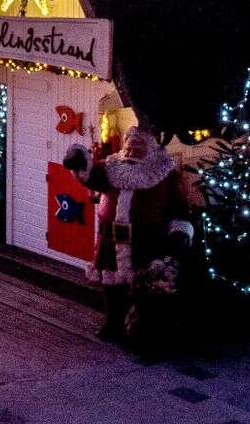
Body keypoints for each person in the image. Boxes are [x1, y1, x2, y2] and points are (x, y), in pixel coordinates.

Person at [64, 126, 195, 344]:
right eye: (130, 147)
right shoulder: (110, 168)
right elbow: (89, 175)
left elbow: (179, 208)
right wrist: (79, 159)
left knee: (143, 286)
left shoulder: (164, 175)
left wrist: (180, 232)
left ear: (151, 149)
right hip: (111, 237)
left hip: (146, 239)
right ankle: (113, 323)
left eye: (138, 148)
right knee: (111, 286)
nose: (133, 152)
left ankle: (139, 329)